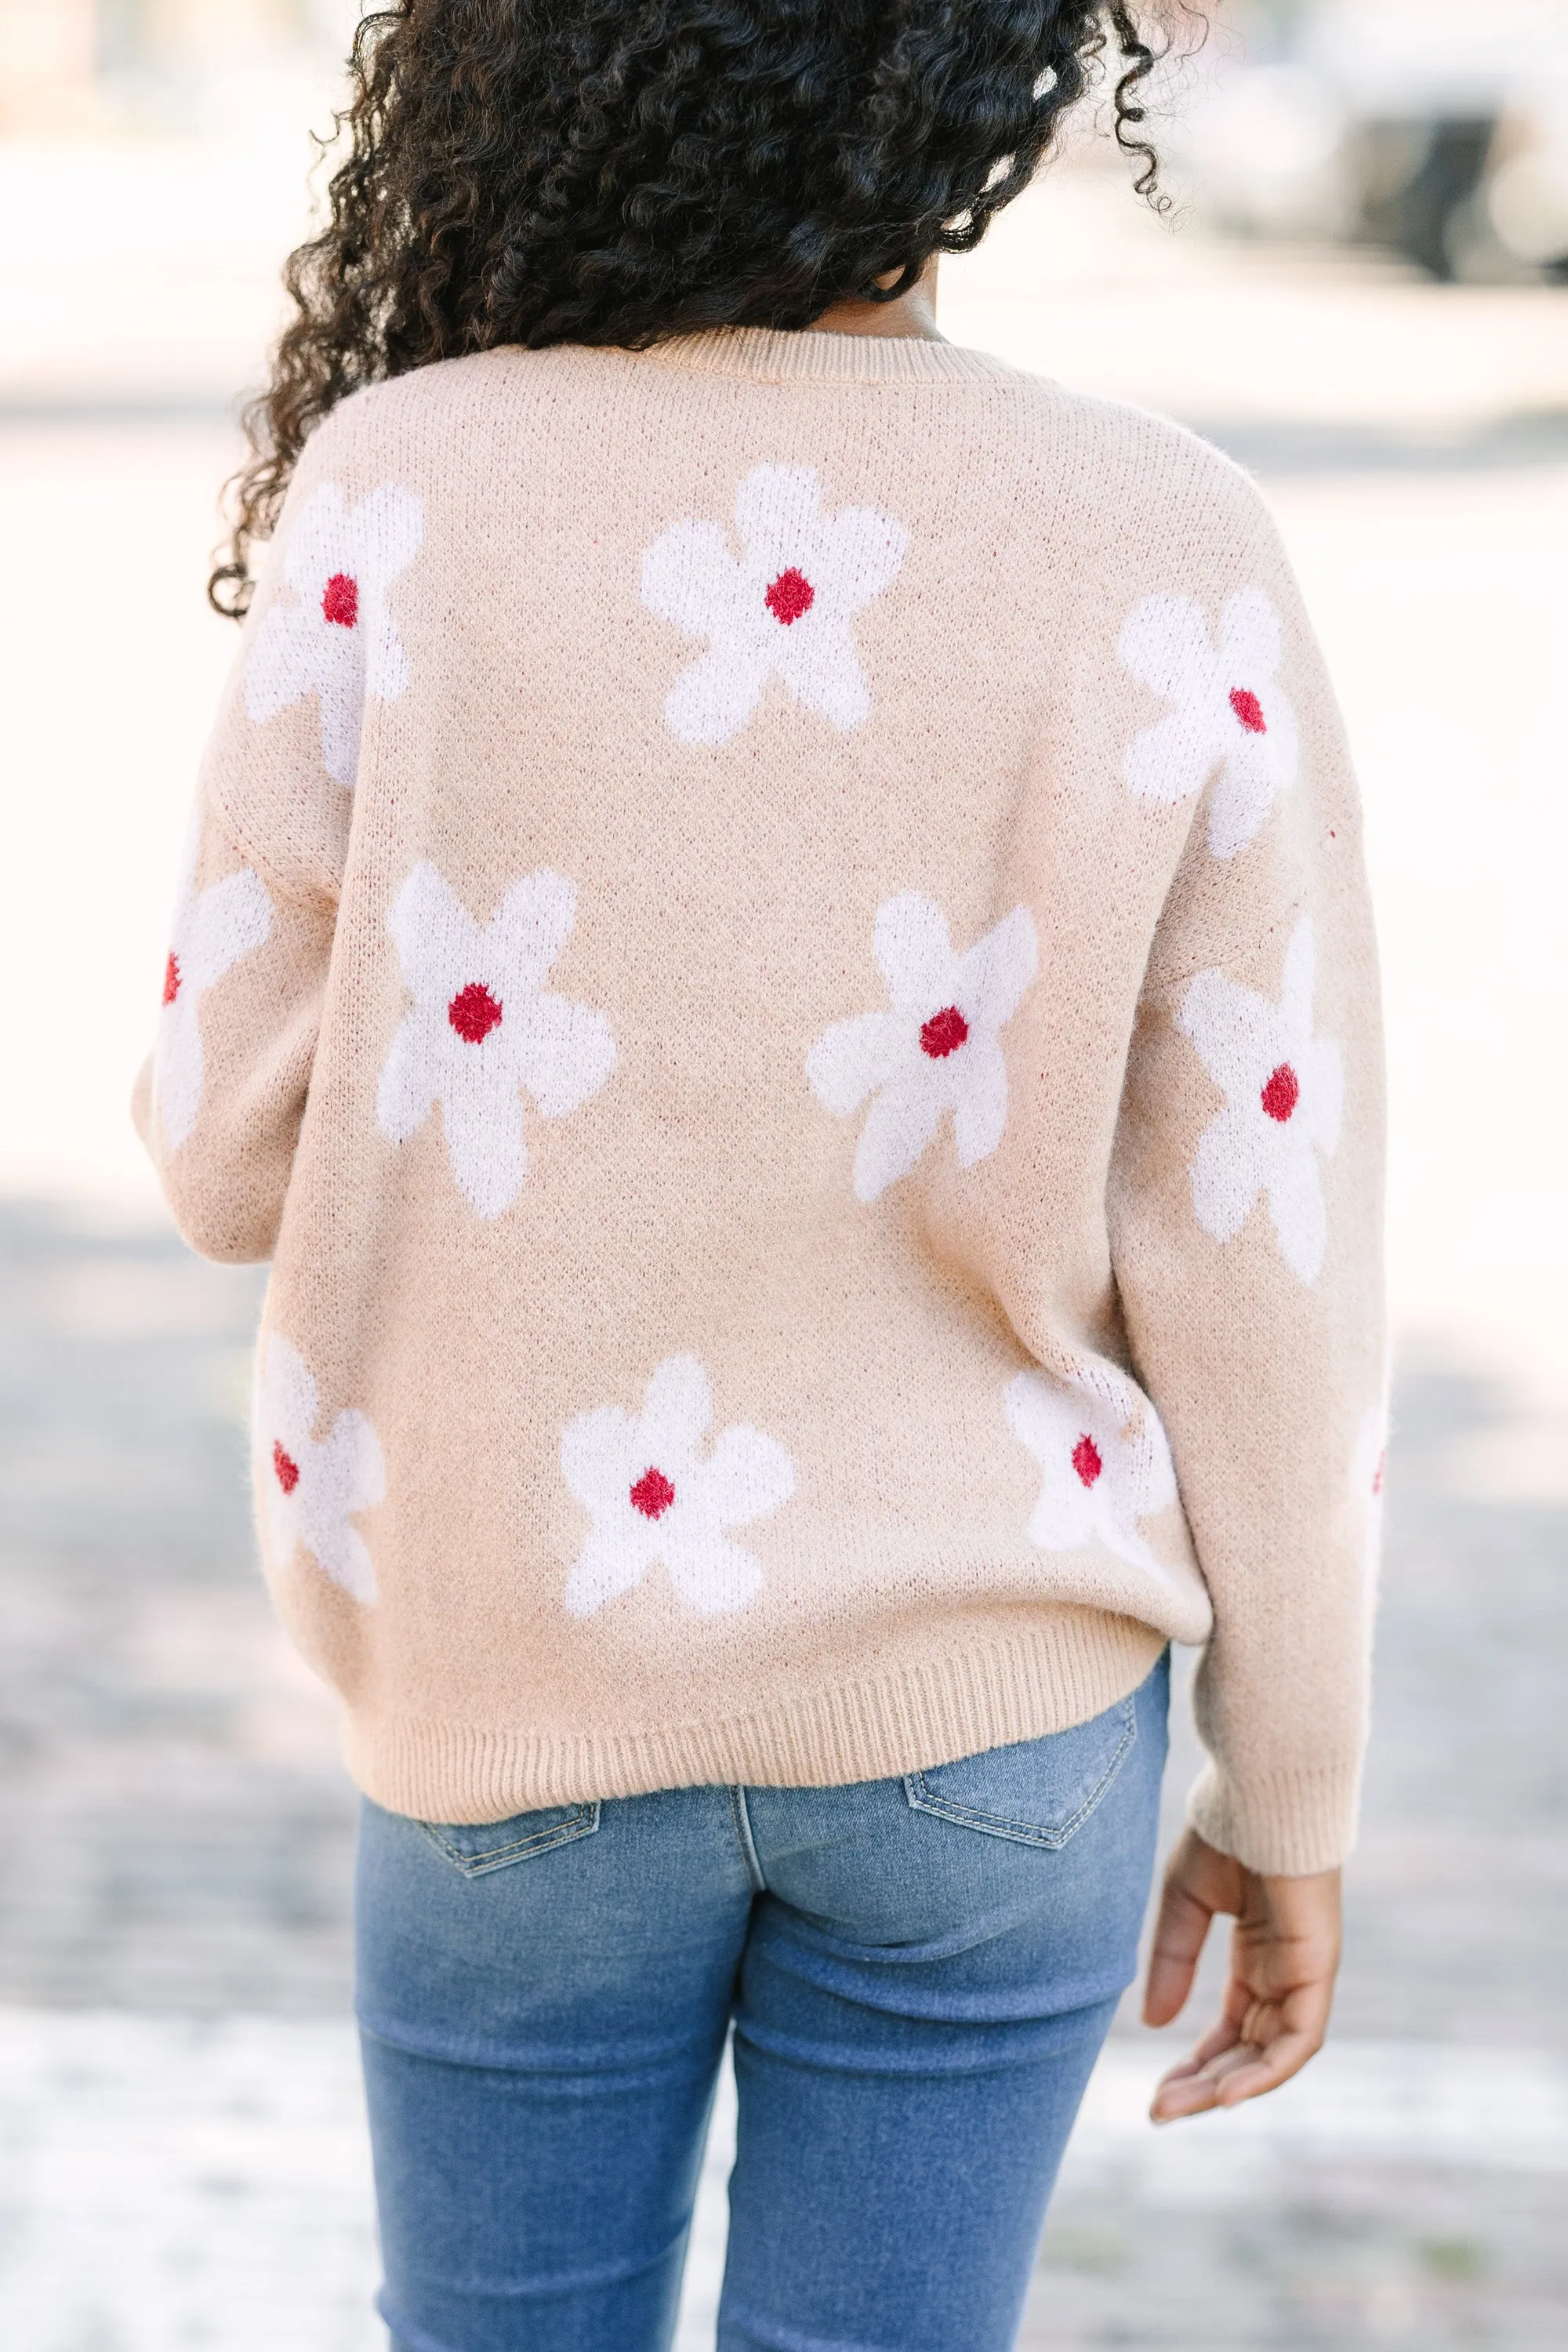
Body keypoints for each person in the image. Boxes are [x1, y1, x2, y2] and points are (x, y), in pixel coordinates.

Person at [136, 5, 1384, 2347]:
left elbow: (223, 1149)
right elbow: (1262, 1253)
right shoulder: (1164, 534)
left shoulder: (407, 489)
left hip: (519, 1683)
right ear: (993, 78)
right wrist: (1290, 1783)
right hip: (997, 1723)